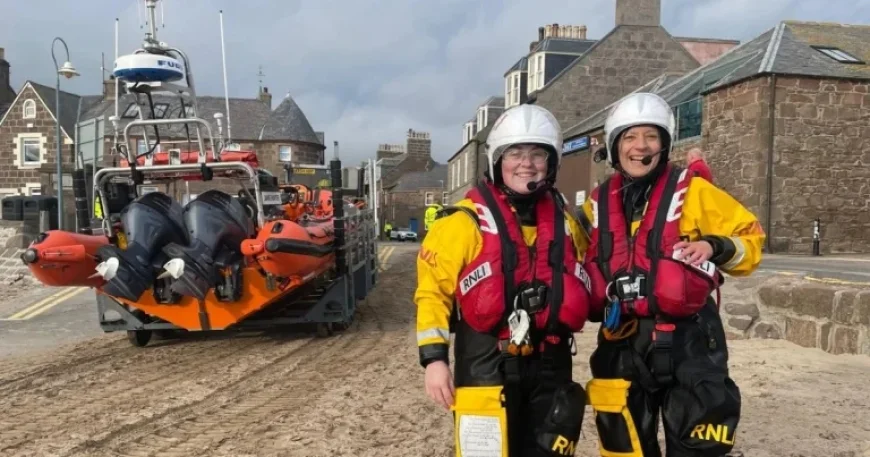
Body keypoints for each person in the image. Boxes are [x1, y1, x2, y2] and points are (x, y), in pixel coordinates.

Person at [576, 93, 765, 457]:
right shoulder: (596, 205)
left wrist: (715, 246)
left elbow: (751, 240)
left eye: (651, 136)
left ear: (665, 144)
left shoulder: (694, 192)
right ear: (615, 147)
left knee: (698, 447)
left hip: (690, 339)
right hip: (623, 340)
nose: (640, 146)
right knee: (624, 447)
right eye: (630, 137)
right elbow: (561, 248)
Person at [415, 104, 592, 456]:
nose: (526, 163)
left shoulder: (568, 225)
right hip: (485, 364)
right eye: (515, 152)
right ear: (497, 160)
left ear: (551, 163)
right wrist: (435, 361)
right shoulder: (461, 224)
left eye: (537, 154)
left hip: (550, 364)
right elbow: (433, 294)